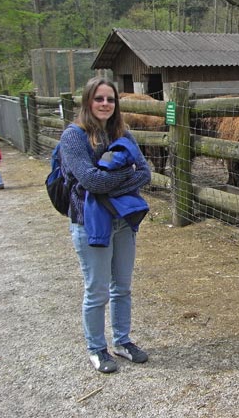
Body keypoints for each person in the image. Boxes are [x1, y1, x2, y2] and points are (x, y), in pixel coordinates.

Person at [59, 77, 151, 373]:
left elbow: (146, 173)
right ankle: (97, 348)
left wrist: (109, 184)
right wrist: (125, 177)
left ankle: (122, 341)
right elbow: (90, 180)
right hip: (90, 223)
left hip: (123, 221)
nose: (105, 104)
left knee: (122, 287)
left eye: (110, 99)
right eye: (99, 99)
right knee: (96, 290)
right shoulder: (74, 137)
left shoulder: (123, 132)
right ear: (88, 101)